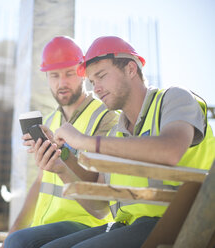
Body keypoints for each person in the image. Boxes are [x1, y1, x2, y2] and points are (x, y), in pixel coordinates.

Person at [47, 36, 215, 248]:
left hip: (179, 220)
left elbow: (171, 150)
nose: (96, 88)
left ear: (130, 69)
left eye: (101, 76)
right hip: (129, 225)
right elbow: (99, 206)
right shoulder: (116, 134)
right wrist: (63, 161)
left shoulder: (175, 98)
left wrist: (84, 141)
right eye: (92, 82)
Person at [3, 36, 119, 248]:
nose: (62, 83)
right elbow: (40, 182)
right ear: (47, 78)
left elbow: (98, 186)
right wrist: (14, 229)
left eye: (69, 73)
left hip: (87, 223)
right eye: (54, 75)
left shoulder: (106, 116)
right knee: (15, 240)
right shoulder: (49, 121)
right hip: (46, 226)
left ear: (82, 73)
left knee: (19, 242)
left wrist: (63, 155)